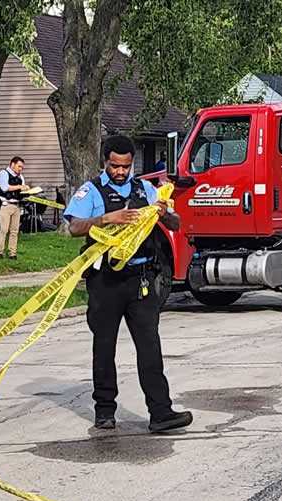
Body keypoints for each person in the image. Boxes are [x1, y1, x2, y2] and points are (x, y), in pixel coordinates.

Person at [64, 135, 193, 433]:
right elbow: (74, 227)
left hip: (141, 279)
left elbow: (175, 223)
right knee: (104, 345)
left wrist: (165, 213)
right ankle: (105, 411)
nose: (120, 172)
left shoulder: (144, 189)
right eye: (114, 166)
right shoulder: (91, 191)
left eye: (125, 166)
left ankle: (161, 412)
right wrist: (107, 218)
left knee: (150, 346)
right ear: (105, 162)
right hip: (105, 281)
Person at [0, 157, 28, 259]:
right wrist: (20, 187)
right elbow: (5, 188)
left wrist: (27, 192)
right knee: (4, 230)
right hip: (5, 205)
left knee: (14, 231)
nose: (20, 169)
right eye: (19, 166)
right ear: (12, 164)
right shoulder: (3, 173)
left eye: (22, 167)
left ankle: (12, 253)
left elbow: (21, 191)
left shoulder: (20, 177)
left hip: (17, 206)